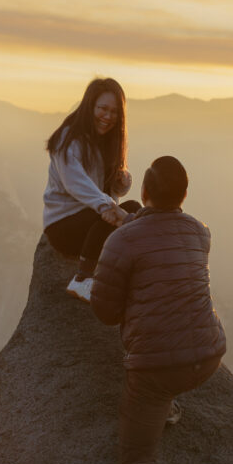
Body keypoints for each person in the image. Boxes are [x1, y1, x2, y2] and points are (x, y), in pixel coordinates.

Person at [90, 156, 227, 464]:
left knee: (135, 461)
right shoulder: (200, 232)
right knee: (162, 392)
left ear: (143, 193)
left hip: (157, 371)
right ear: (184, 194)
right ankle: (166, 407)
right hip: (208, 358)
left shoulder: (123, 240)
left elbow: (105, 311)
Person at [43, 77, 140, 302]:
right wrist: (107, 206)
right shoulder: (67, 140)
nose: (108, 117)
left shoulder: (106, 141)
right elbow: (75, 183)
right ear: (90, 107)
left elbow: (120, 189)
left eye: (114, 112)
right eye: (103, 109)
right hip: (64, 225)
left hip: (93, 220)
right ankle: (82, 280)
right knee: (106, 217)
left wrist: (121, 176)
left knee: (134, 207)